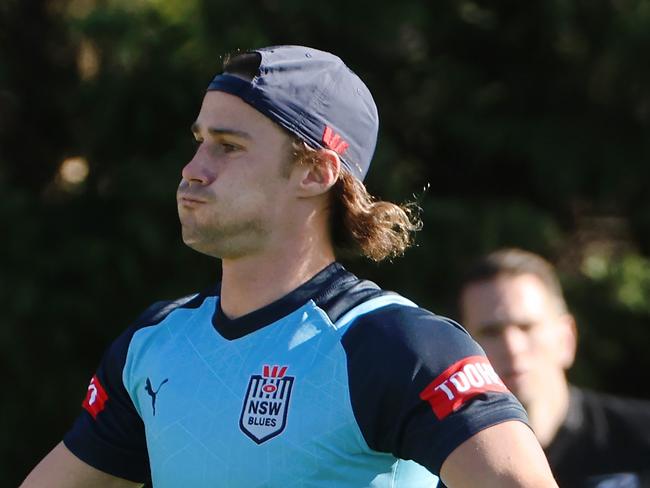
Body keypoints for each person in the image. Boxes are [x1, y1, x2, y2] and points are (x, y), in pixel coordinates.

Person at [22, 46, 556, 487]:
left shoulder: (394, 344)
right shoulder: (154, 343)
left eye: (228, 147)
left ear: (316, 173)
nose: (192, 170)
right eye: (200, 142)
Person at [458, 248, 650, 487]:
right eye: (491, 332)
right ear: (461, 348)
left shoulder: (642, 440)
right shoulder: (445, 466)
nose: (512, 347)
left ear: (566, 338)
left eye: (526, 326)